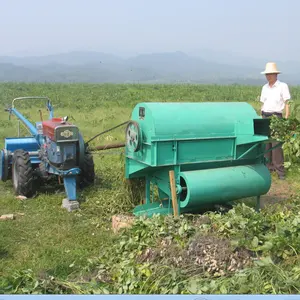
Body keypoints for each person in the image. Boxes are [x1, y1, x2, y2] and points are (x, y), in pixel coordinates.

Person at [260, 62, 291, 180]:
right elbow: (263, 103)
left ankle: (280, 171)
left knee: (276, 144)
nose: (268, 76)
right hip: (265, 115)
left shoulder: (282, 86)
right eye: (267, 74)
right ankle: (268, 168)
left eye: (270, 74)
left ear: (276, 74)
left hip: (276, 116)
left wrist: (286, 118)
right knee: (266, 144)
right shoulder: (265, 87)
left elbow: (287, 102)